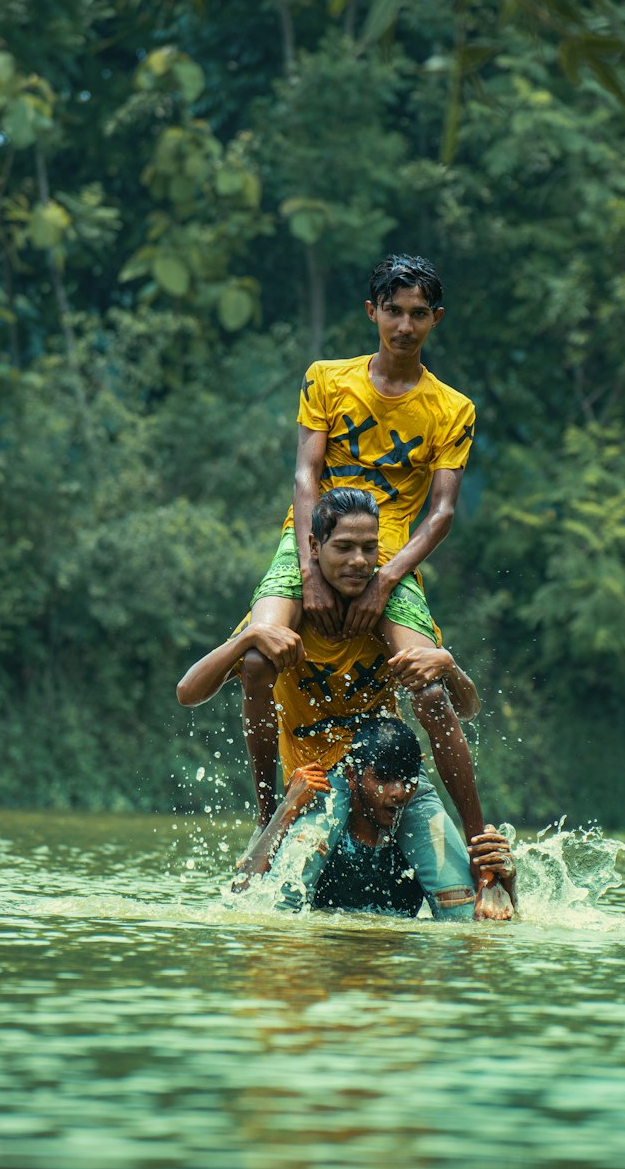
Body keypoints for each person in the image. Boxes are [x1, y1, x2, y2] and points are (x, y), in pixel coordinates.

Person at [177, 488, 514, 919]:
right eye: (344, 548)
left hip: (385, 772)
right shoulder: (287, 610)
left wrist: (448, 664)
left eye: (369, 549)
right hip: (318, 781)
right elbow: (187, 693)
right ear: (314, 548)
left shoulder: (392, 610)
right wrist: (246, 637)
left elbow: (464, 708)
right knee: (276, 911)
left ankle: (483, 867)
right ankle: (265, 821)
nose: (358, 561)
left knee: (469, 916)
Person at [241, 254, 479, 835]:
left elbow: (442, 512)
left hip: (387, 552)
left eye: (418, 314)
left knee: (426, 687)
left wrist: (388, 579)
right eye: (393, 311)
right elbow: (304, 476)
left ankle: (481, 844)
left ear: (435, 319)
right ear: (372, 311)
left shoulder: (453, 409)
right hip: (312, 542)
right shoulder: (327, 378)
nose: (404, 326)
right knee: (255, 661)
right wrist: (309, 567)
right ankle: (266, 815)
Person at [232, 717, 517, 921]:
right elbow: (240, 899)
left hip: (399, 971)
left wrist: (505, 881)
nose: (398, 792)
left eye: (407, 780)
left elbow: (486, 930)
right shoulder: (324, 831)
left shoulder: (418, 842)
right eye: (384, 778)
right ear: (352, 777)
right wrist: (286, 810)